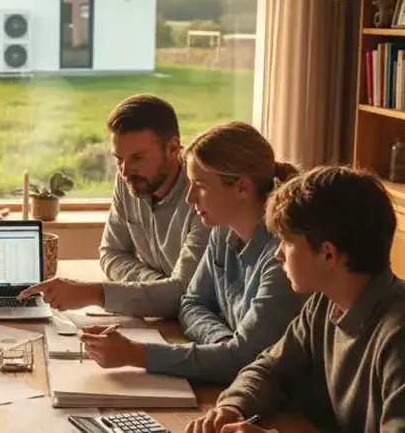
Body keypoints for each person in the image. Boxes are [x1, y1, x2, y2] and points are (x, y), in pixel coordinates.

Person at [77, 121, 308, 384]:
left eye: (200, 185)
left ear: (242, 188)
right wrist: (220, 340)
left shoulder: (283, 258)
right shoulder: (222, 233)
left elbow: (244, 359)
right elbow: (191, 303)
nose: (190, 198)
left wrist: (136, 354)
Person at [187, 166, 405, 433]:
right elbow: (269, 368)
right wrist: (233, 407)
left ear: (328, 254)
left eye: (287, 242)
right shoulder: (324, 305)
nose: (278, 254)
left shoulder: (397, 336)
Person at [20, 94, 211, 318]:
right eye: (118, 158)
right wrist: (157, 285)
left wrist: (94, 293)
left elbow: (186, 293)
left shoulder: (204, 196)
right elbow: (111, 254)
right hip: (163, 319)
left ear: (173, 148)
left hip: (199, 320)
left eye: (137, 158)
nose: (125, 170)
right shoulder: (130, 180)